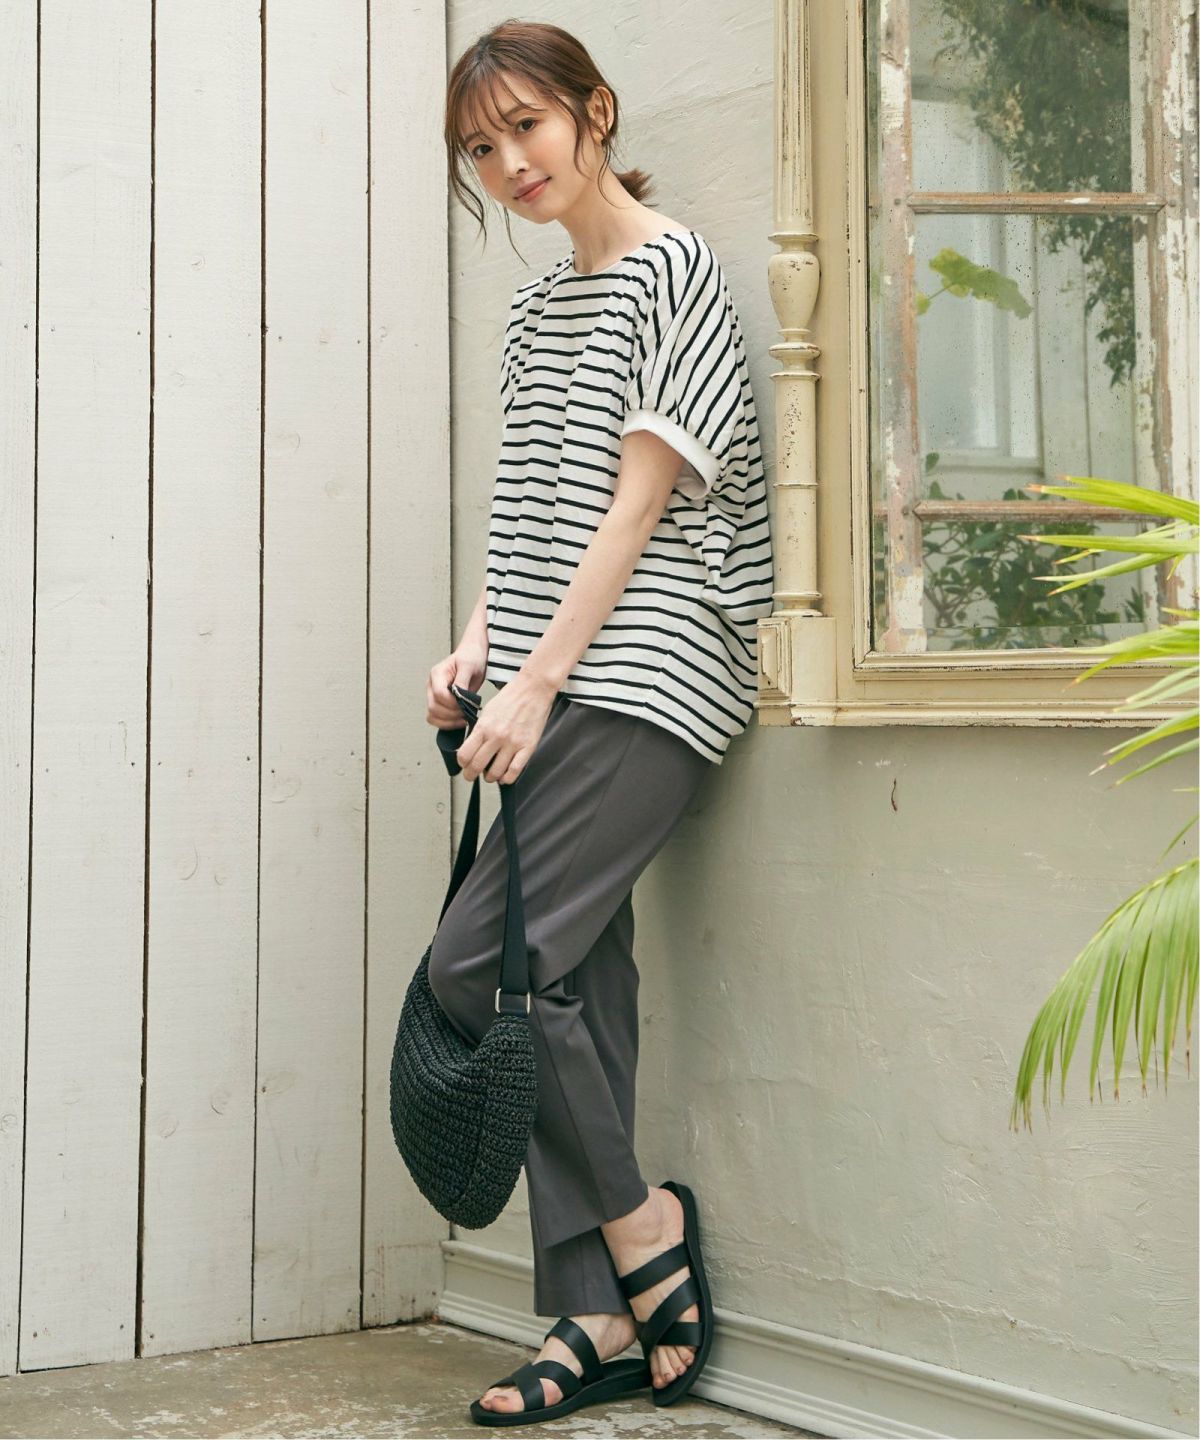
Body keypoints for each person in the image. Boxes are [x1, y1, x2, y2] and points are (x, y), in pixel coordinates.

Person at [424, 17, 774, 1426]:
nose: (510, 162)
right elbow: (535, 508)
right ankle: (591, 1315)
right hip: (550, 668)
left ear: (596, 112)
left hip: (650, 671)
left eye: (527, 126)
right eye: (482, 148)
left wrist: (537, 680)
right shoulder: (532, 312)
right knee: (562, 983)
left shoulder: (673, 270)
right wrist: (477, 646)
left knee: (481, 969)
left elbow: (637, 505)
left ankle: (638, 1228)